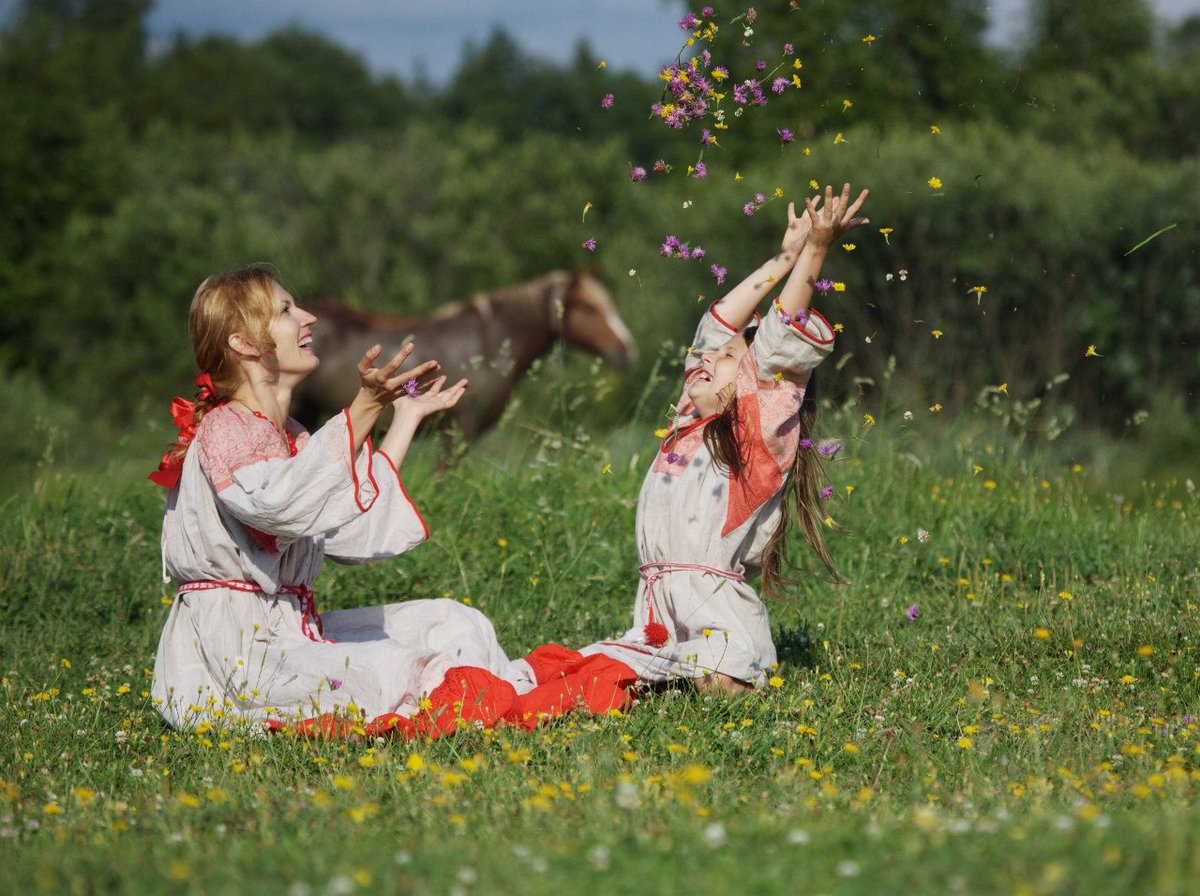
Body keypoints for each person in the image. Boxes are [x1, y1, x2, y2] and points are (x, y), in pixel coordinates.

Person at [149, 265, 635, 738]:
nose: (309, 318)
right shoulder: (225, 431)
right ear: (243, 342)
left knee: (451, 620)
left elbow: (348, 532)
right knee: (397, 669)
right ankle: (491, 706)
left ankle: (495, 696)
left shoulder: (291, 437)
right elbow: (282, 505)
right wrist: (362, 408)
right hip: (236, 654)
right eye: (286, 310)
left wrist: (403, 418)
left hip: (289, 628)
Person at [577, 183, 869, 695]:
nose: (708, 358)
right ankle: (665, 677)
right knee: (590, 674)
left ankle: (712, 678)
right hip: (655, 610)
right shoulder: (693, 417)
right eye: (711, 357)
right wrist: (783, 256)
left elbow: (780, 333)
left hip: (715, 609)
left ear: (761, 381)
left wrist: (817, 251)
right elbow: (712, 331)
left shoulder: (755, 431)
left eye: (728, 358)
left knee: (715, 676)